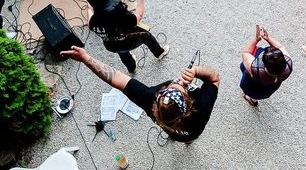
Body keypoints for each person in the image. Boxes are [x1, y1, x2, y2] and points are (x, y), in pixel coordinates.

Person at [61, 44, 218, 143]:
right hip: (192, 133)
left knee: (177, 136)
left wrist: (87, 59)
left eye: (173, 85)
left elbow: (114, 77)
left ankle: (178, 137)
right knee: (189, 138)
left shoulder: (149, 98)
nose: (178, 80)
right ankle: (188, 141)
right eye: (179, 85)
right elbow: (214, 78)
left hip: (171, 130)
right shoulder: (202, 106)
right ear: (188, 101)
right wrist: (196, 71)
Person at [79, 0, 169, 73]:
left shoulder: (94, 22)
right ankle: (159, 53)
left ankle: (131, 68)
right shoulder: (122, 16)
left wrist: (89, 9)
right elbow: (139, 15)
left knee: (123, 53)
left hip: (112, 45)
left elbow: (90, 20)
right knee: (146, 36)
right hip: (129, 41)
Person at [240, 25, 293, 106]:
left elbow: (246, 53)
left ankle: (250, 97)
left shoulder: (255, 69)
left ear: (263, 63)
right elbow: (280, 47)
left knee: (252, 90)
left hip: (253, 84)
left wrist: (256, 39)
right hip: (269, 88)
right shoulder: (289, 65)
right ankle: (253, 99)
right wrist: (269, 38)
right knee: (258, 94)